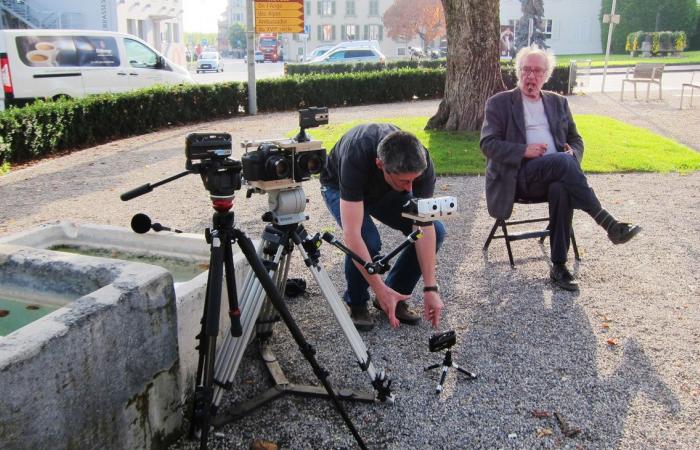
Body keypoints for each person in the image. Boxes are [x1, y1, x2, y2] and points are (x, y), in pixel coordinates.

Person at [480, 46, 641, 291]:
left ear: (546, 75)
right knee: (565, 164)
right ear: (518, 71)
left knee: (561, 187)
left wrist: (573, 153)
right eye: (526, 70)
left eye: (537, 71)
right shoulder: (499, 103)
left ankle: (559, 266)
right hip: (520, 177)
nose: (530, 76)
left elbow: (576, 140)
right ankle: (608, 224)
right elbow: (487, 144)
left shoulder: (558, 102)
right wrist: (524, 150)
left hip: (555, 175)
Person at [320, 124, 445, 331]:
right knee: (367, 239)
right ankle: (358, 302)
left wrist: (431, 288)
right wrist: (378, 287)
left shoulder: (421, 162)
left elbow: (423, 226)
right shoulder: (356, 153)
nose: (411, 189)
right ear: (380, 165)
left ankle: (395, 294)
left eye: (415, 180)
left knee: (437, 231)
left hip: (385, 189)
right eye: (405, 181)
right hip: (337, 186)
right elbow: (352, 235)